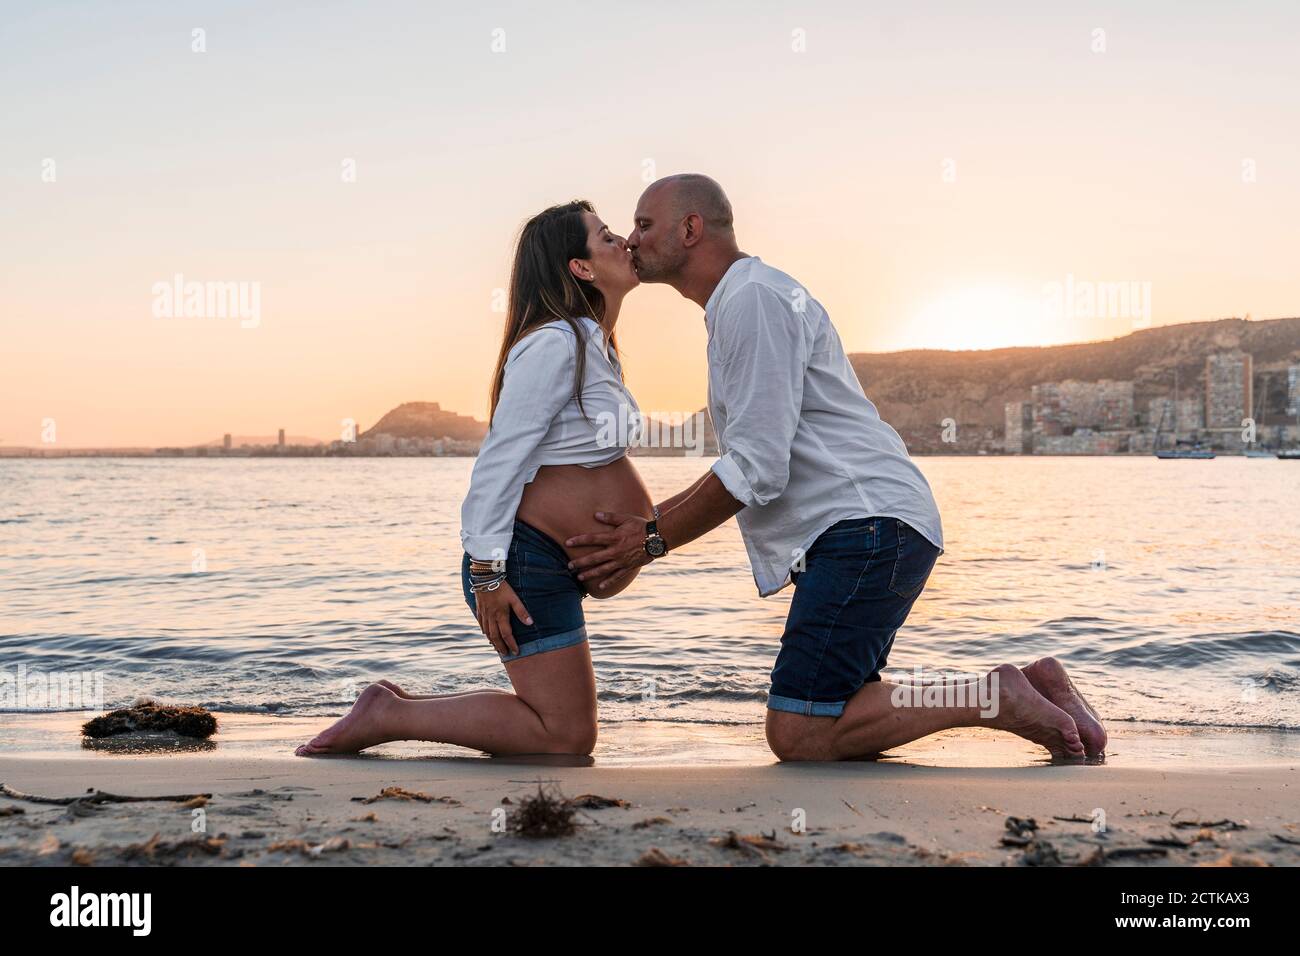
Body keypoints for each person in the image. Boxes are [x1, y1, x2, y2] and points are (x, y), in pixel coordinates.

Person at [564, 174, 1106, 761]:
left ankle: (996, 697)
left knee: (800, 732)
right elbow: (753, 460)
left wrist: (649, 540)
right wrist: (643, 531)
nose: (633, 239)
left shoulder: (752, 300)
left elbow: (757, 468)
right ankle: (1038, 688)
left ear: (691, 228)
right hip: (873, 527)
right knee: (839, 709)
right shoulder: (742, 301)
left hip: (866, 528)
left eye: (644, 224)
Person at [296, 200, 651, 757]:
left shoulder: (590, 343)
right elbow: (500, 460)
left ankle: (395, 706)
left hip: (548, 561)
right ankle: (387, 716)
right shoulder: (554, 343)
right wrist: (487, 572)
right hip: (522, 561)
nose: (624, 242)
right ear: (579, 267)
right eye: (606, 237)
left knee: (561, 726)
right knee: (563, 737)